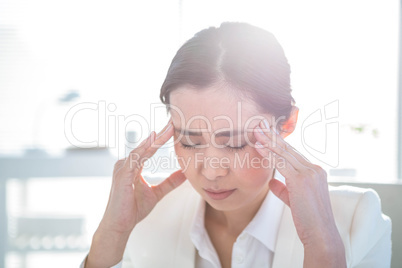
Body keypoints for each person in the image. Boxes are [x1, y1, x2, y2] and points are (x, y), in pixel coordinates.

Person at [81, 22, 392, 268]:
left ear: (286, 124)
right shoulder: (148, 220)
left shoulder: (354, 221)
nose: (211, 172)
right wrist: (112, 236)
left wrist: (323, 250)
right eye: (189, 141)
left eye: (236, 143)